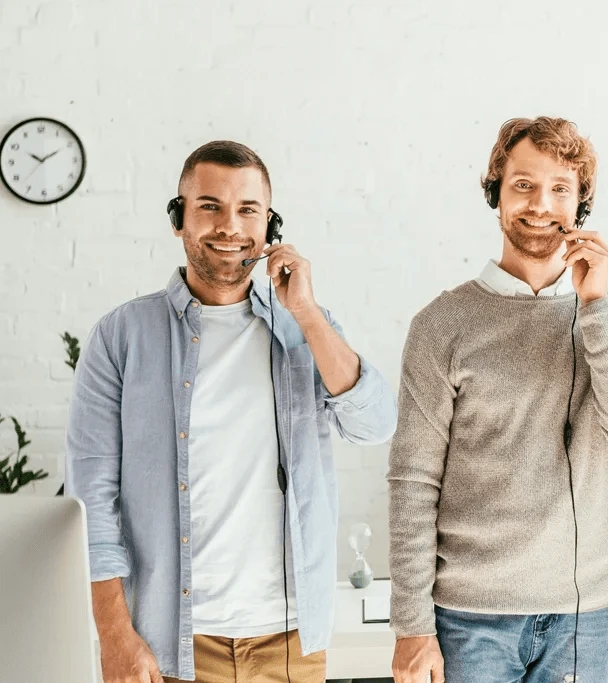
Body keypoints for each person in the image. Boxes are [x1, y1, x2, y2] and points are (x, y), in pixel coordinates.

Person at [65, 140, 397, 683]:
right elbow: (90, 503)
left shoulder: (305, 329)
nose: (229, 226)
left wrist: (307, 313)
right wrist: (115, 636)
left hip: (289, 640)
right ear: (179, 219)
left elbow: (375, 423)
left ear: (272, 226)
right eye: (210, 207)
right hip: (170, 642)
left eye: (248, 210)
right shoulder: (120, 337)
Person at [387, 116, 608, 683]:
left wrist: (594, 308)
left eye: (560, 188)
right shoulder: (442, 325)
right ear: (495, 193)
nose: (541, 204)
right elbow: (413, 481)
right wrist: (412, 627)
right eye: (523, 185)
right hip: (470, 616)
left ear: (580, 204)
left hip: (584, 615)